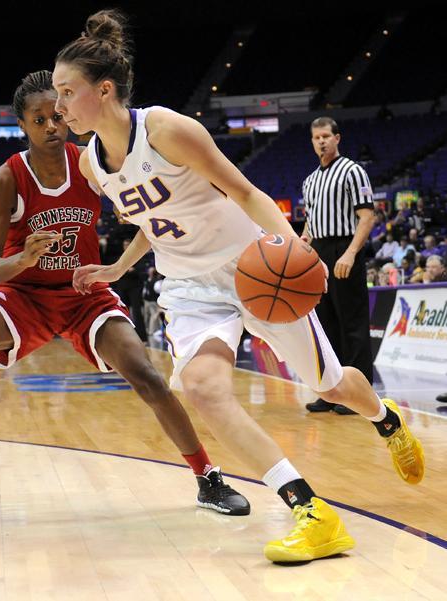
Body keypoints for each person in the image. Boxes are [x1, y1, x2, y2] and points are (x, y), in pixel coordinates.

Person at [52, 10, 424, 563]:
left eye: (66, 92)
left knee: (329, 385)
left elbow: (246, 193)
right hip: (188, 287)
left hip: (252, 269)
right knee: (202, 388)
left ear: (103, 91)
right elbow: (154, 223)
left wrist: (294, 249)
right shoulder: (89, 164)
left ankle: (386, 419)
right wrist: (118, 267)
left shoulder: (167, 130)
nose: (57, 107)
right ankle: (309, 510)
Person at [0, 71, 249, 519]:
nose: (50, 127)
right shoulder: (6, 178)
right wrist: (21, 259)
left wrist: (132, 224)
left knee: (147, 375)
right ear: (22, 125)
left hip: (84, 294)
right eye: (38, 120)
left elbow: (147, 209)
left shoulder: (92, 163)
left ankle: (207, 478)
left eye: (55, 117)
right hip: (26, 296)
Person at [300, 117, 376, 415]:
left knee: (352, 325)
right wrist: (305, 236)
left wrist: (350, 253)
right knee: (325, 325)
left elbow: (367, 216)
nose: (321, 141)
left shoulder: (353, 171)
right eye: (316, 137)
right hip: (318, 251)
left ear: (337, 138)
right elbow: (312, 216)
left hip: (344, 248)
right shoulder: (309, 180)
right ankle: (332, 393)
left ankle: (360, 396)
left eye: (326, 136)